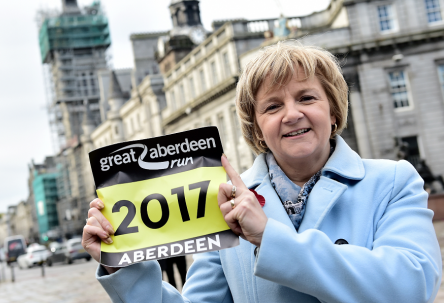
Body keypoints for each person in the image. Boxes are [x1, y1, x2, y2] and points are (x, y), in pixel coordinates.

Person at [82, 42, 442, 302]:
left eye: (307, 98)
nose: (291, 114)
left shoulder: (393, 181)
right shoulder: (221, 203)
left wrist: (270, 238)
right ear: (257, 129)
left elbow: (412, 285)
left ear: (333, 110)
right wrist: (121, 269)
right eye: (272, 106)